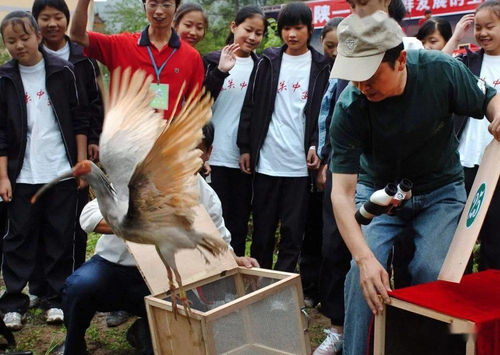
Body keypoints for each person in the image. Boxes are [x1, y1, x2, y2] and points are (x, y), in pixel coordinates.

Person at [328, 11, 500, 355]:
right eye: (354, 76)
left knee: (433, 271)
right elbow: (342, 193)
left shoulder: (441, 70)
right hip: (378, 193)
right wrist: (363, 259)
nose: (362, 86)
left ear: (400, 60)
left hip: (441, 191)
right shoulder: (350, 105)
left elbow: (488, 100)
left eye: (370, 75)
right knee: (365, 275)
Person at [57, 127, 259, 355]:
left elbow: (219, 242)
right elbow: (89, 216)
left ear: (208, 153)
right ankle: (74, 344)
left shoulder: (206, 197)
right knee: (80, 286)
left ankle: (144, 329)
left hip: (163, 281)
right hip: (113, 268)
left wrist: (237, 260)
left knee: (176, 334)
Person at [0, 11, 87, 330]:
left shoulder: (62, 70)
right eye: (11, 41)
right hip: (21, 174)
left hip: (60, 172)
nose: (19, 45)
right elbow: (1, 133)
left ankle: (53, 299)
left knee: (58, 236)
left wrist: (79, 164)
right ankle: (13, 302)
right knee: (18, 238)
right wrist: (3, 176)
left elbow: (80, 120)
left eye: (24, 38)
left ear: (38, 36)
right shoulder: (5, 77)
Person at [237, 2, 330, 272]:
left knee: (293, 233)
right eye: (286, 28)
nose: (292, 34)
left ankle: (284, 288)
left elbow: (324, 113)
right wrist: (246, 147)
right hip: (267, 161)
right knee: (263, 231)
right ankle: (259, 285)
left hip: (300, 167)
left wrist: (317, 145)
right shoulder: (268, 60)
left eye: (298, 28)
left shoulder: (322, 65)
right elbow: (251, 106)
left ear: (309, 29)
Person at [29, 0, 105, 313]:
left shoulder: (83, 57)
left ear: (66, 19)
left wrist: (95, 140)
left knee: (71, 220)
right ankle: (38, 286)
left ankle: (70, 281)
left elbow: (96, 102)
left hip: (77, 149)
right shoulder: (29, 57)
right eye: (44, 18)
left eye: (57, 17)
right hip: (37, 154)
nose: (52, 24)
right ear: (36, 23)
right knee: (37, 220)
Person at [70, 0, 204, 120]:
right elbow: (77, 35)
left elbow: (193, 106)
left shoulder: (192, 56)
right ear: (144, 6)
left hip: (166, 142)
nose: (159, 11)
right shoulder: (120, 45)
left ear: (176, 7)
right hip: (124, 138)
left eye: (166, 5)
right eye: (153, 4)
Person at [204, 5, 267, 257]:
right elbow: (199, 102)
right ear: (233, 27)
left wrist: (248, 148)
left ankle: (236, 278)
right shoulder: (210, 60)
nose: (252, 37)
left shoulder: (262, 67)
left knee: (238, 223)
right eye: (248, 30)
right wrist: (220, 72)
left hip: (241, 158)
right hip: (210, 157)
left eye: (259, 33)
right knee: (210, 221)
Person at [444, 0, 500, 271]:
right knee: (459, 239)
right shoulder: (468, 60)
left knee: (495, 239)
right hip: (465, 162)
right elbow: (438, 67)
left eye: (490, 26)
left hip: (497, 165)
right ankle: (458, 299)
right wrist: (456, 37)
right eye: (478, 27)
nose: (483, 33)